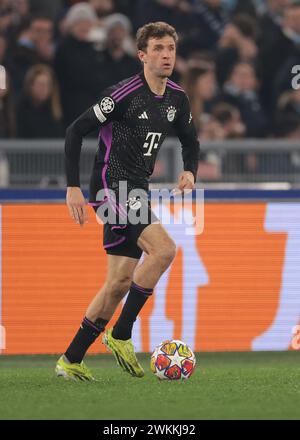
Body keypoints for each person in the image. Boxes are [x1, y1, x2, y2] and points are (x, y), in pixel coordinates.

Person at [55, 21, 200, 381]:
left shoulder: (176, 99)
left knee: (118, 283)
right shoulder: (122, 95)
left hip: (137, 189)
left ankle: (70, 360)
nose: (166, 55)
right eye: (158, 49)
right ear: (142, 55)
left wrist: (190, 171)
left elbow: (190, 139)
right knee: (164, 250)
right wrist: (72, 186)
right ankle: (121, 334)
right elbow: (76, 130)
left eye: (171, 48)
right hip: (111, 187)